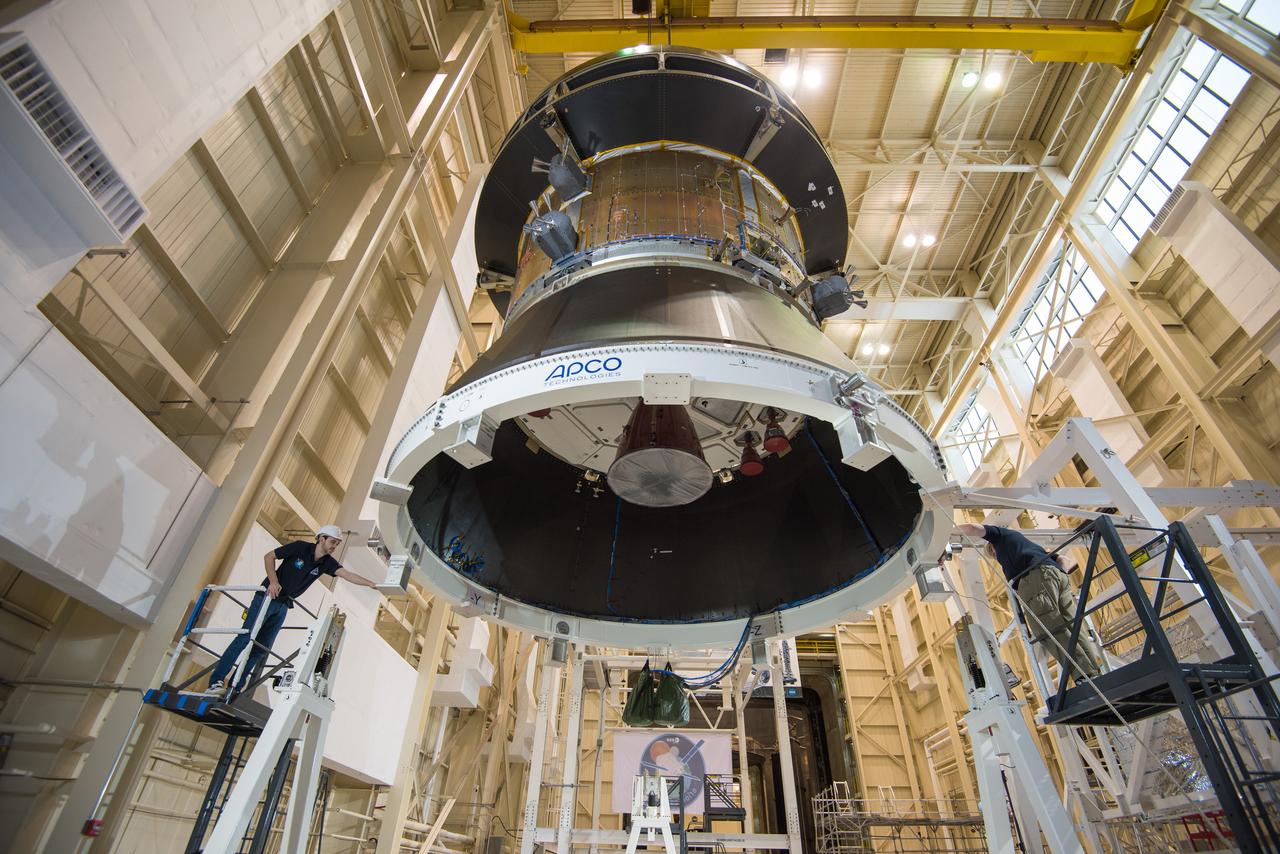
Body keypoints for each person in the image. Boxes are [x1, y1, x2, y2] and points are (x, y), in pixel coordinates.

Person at [207, 525, 377, 695]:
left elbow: (347, 575)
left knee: (260, 649)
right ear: (322, 538)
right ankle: (216, 682)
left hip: (283, 605)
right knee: (245, 638)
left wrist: (371, 584)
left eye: (337, 544)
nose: (334, 546)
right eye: (333, 542)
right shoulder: (300, 547)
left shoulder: (327, 563)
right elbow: (269, 556)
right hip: (267, 598)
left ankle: (235, 687)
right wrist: (273, 582)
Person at [954, 522, 1106, 681]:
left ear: (992, 548)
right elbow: (1064, 559)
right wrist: (1056, 578)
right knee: (1072, 627)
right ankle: (1094, 671)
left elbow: (972, 528)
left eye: (993, 554)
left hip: (1034, 579)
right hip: (1056, 575)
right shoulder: (1030, 547)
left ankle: (1084, 675)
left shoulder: (1000, 538)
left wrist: (945, 533)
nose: (995, 557)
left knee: (1047, 629)